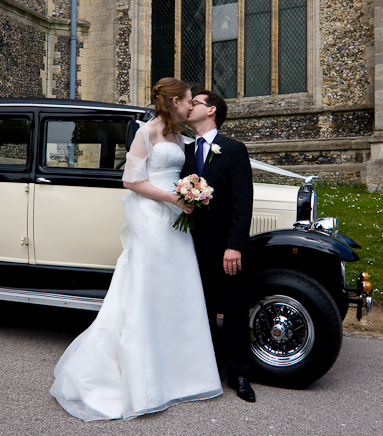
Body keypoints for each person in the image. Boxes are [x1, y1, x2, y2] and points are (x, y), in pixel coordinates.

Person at [49, 78, 222, 421]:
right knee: (147, 292)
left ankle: (180, 376)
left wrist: (191, 193)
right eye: (188, 100)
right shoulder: (148, 132)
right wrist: (175, 197)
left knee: (176, 293)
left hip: (176, 222)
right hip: (154, 219)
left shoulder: (178, 136)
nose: (191, 106)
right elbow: (130, 180)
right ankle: (143, 381)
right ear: (175, 102)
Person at [182, 90, 256, 403]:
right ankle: (208, 370)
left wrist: (234, 246)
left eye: (194, 103)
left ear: (211, 110)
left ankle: (240, 374)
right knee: (203, 310)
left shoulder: (234, 149)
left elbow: (243, 202)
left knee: (236, 310)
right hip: (191, 246)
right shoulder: (184, 151)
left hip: (226, 248)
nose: (189, 107)